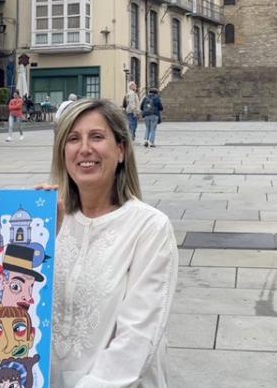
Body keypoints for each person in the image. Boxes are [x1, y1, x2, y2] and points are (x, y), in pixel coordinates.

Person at [46, 100, 178, 387]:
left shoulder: (149, 227)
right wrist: (39, 242)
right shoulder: (51, 220)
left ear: (121, 150)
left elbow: (138, 336)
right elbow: (12, 304)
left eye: (96, 137)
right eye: (73, 139)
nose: (84, 149)